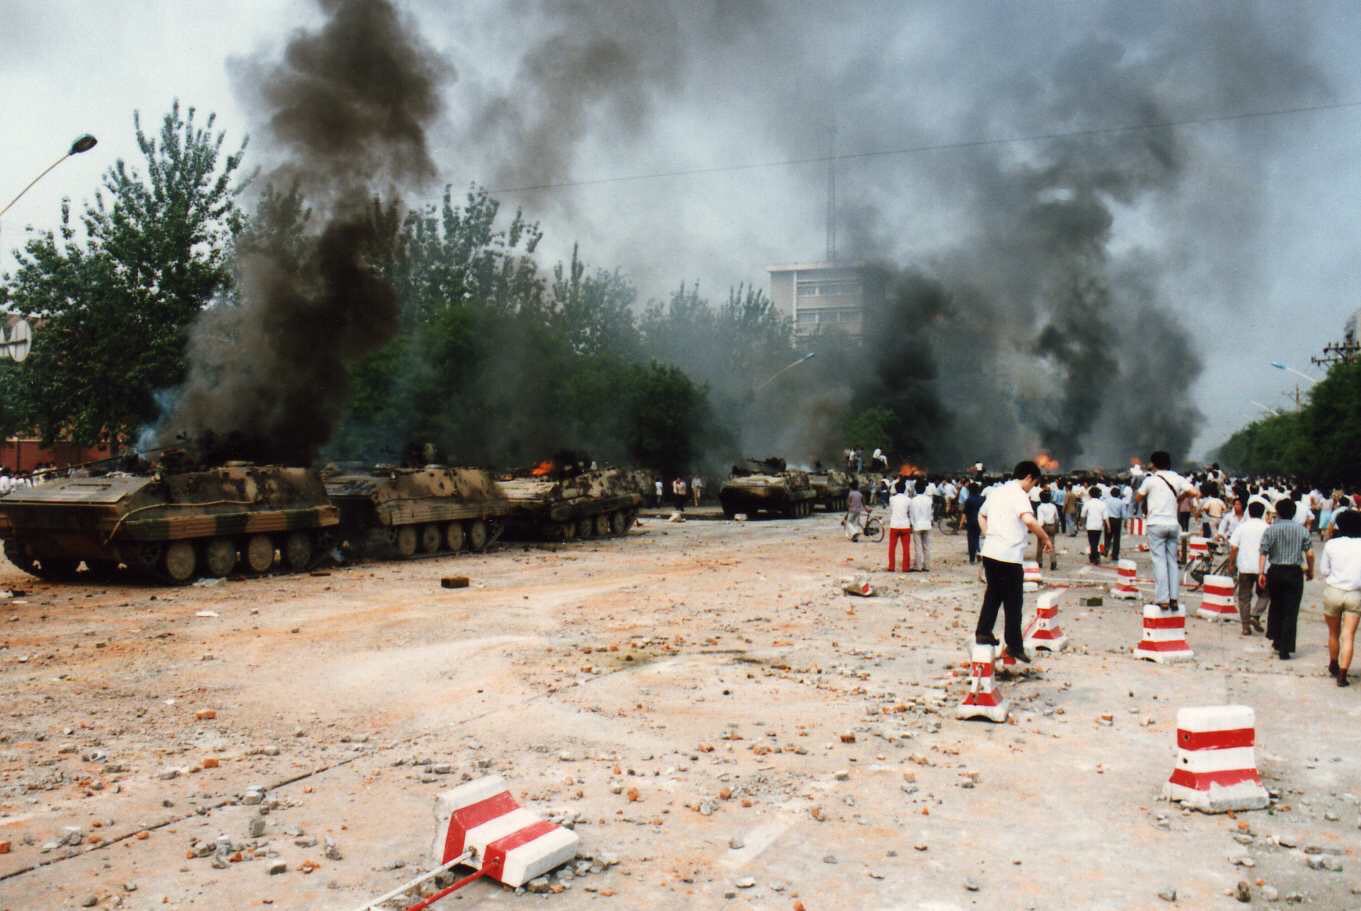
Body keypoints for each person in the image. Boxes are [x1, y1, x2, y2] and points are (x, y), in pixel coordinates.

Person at [974, 461, 1053, 663]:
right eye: (1033, 483)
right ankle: (1014, 646)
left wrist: (989, 534)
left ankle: (983, 633)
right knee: (1013, 602)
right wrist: (1045, 538)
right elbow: (1029, 520)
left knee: (993, 594)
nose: (1032, 488)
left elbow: (981, 515)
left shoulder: (997, 492)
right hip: (1009, 556)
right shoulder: (1019, 495)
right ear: (1028, 477)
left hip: (990, 552)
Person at [1136, 451, 1200, 612]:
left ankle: (1162, 599)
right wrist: (1180, 496)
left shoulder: (1151, 479)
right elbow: (1194, 492)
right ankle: (1174, 599)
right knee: (1172, 562)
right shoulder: (1178, 478)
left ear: (1154, 464)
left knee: (1159, 562)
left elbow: (1137, 497)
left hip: (1156, 524)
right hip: (1173, 524)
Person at [1258, 498, 1314, 660]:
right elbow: (1310, 554)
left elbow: (1263, 552)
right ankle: (1285, 647)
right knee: (1291, 609)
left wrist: (1261, 573)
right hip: (1294, 572)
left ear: (1279, 512)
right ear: (1294, 512)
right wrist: (1310, 571)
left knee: (1276, 605)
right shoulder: (1302, 530)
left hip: (1275, 571)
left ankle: (1276, 639)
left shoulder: (1271, 529)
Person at [1320, 509, 1361, 686]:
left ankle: (1333, 663)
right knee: (1349, 635)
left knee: (1333, 632)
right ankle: (1343, 674)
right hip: (1355, 593)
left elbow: (1324, 570)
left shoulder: (1331, 544)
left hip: (1333, 592)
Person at [1228, 501, 1271, 636]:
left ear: (1249, 512)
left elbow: (1234, 547)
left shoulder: (1242, 527)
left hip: (1244, 567)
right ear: (1263, 512)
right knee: (1265, 594)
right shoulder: (1268, 528)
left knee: (1244, 597)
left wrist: (1231, 564)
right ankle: (1256, 614)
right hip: (1263, 568)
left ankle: (1245, 627)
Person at [887, 478, 912, 571]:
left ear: (896, 489)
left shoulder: (892, 499)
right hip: (905, 525)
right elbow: (909, 512)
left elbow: (892, 509)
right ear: (905, 489)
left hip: (894, 524)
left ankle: (891, 566)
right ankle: (905, 567)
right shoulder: (909, 500)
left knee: (892, 547)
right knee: (906, 548)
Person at [909, 478, 933, 572]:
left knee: (918, 547)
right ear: (924, 489)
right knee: (926, 546)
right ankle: (927, 566)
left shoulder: (913, 500)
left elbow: (912, 514)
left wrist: (912, 524)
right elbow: (930, 513)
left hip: (917, 524)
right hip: (927, 524)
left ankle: (918, 566)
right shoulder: (929, 500)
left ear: (916, 489)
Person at [1082, 485, 1107, 565]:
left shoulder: (1087, 503)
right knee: (1096, 542)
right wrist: (1108, 526)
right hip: (1099, 526)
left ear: (1090, 494)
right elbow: (1105, 517)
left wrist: (1082, 523)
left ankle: (1094, 557)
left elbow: (1083, 515)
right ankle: (1094, 557)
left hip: (1090, 525)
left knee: (1091, 542)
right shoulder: (1102, 504)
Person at [1036, 489, 1060, 570]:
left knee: (1040, 545)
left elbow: (1040, 521)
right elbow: (1057, 518)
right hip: (1052, 526)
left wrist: (1037, 529)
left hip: (1044, 526)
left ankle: (1039, 562)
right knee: (1051, 544)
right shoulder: (1053, 506)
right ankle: (1053, 562)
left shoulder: (1040, 507)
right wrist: (1056, 528)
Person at [1102, 485, 1125, 562]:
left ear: (1111, 493)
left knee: (1107, 536)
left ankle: (1106, 550)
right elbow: (1123, 514)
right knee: (1116, 538)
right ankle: (1115, 555)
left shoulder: (1106, 501)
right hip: (1117, 520)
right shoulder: (1121, 502)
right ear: (1118, 494)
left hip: (1108, 520)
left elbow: (1104, 511)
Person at [963, 482, 983, 564]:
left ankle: (972, 558)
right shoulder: (982, 499)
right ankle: (978, 552)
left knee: (971, 539)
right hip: (980, 521)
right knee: (977, 537)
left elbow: (965, 513)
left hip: (971, 521)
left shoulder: (968, 500)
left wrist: (962, 523)